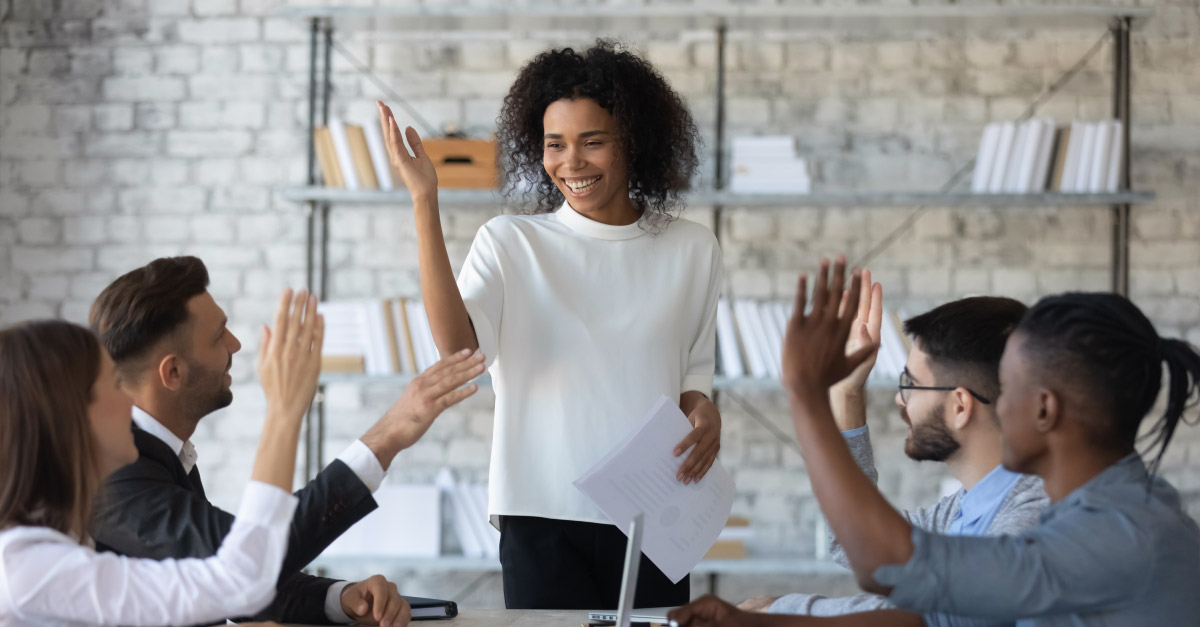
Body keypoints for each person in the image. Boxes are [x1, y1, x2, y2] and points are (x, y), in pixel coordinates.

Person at [377, 40, 722, 609]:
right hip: (538, 512)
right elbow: (459, 349)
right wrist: (424, 200)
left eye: (594, 141)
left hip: (653, 515)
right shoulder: (511, 243)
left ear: (633, 141)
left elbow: (693, 376)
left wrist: (705, 411)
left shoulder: (694, 249)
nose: (572, 162)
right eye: (554, 144)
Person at [670, 258, 1200, 627]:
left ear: (1043, 409)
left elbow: (887, 566)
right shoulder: (1093, 513)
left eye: (1006, 390)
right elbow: (932, 613)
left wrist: (807, 392)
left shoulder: (1114, 534)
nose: (995, 403)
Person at [88, 257, 484, 626]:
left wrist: (341, 598)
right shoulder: (112, 470)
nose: (235, 345)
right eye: (217, 336)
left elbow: (231, 571)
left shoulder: (153, 451)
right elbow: (242, 563)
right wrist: (386, 435)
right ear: (172, 372)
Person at [0, 289, 326, 625]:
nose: (132, 401)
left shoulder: (54, 551)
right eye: (114, 384)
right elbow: (239, 580)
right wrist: (284, 412)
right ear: (73, 416)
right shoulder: (32, 572)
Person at [742, 275, 1048, 626]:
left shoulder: (1033, 514)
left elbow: (933, 615)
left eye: (911, 385)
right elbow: (855, 541)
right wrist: (847, 392)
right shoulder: (963, 511)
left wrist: (780, 610)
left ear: (960, 406)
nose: (899, 399)